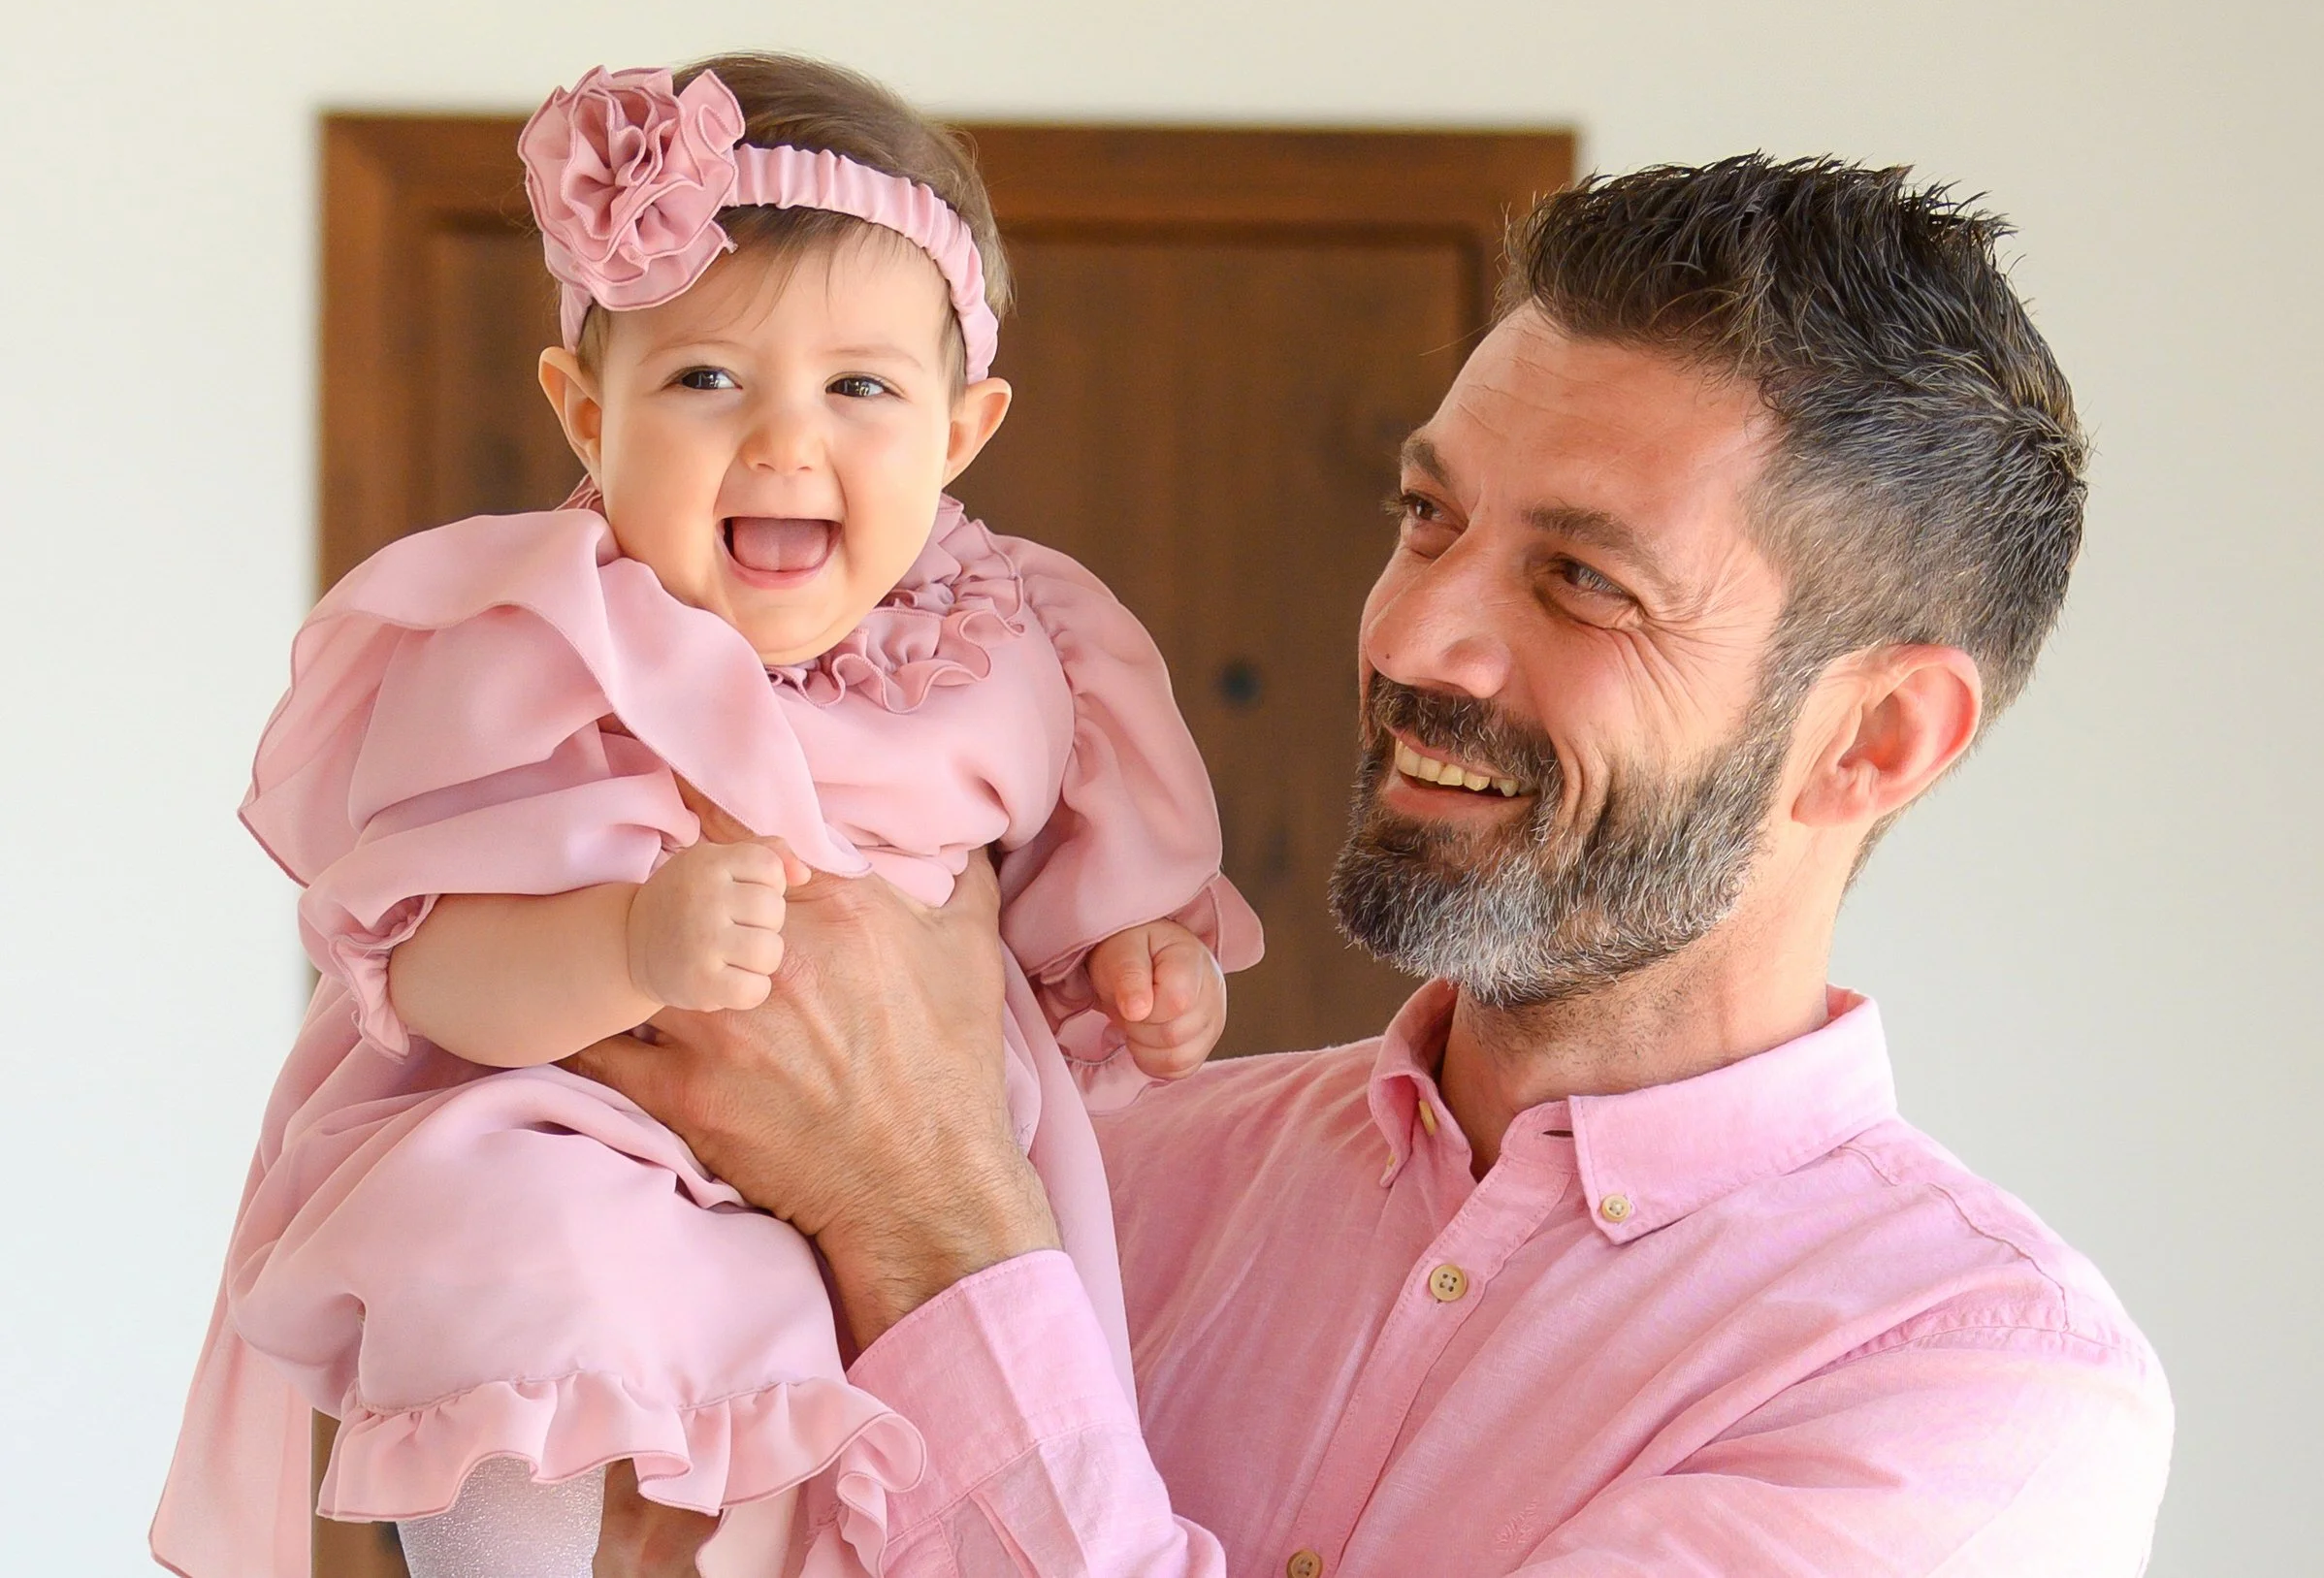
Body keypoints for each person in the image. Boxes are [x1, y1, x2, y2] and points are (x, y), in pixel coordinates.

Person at [574, 156, 2176, 1575]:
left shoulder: (1978, 1387)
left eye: (1582, 580)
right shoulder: (1107, 1167)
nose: (1412, 636)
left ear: (1876, 739)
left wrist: (928, 1232)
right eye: (1428, 515)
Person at [151, 54, 1259, 1578]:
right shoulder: (536, 641)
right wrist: (629, 939)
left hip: (902, 1161)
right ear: (585, 414)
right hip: (572, 1124)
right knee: (534, 1270)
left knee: (872, 1427)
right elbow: (421, 969)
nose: (785, 440)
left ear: (963, 428)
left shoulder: (1034, 637)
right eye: (705, 379)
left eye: (860, 386)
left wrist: (1145, 957)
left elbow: (1093, 887)